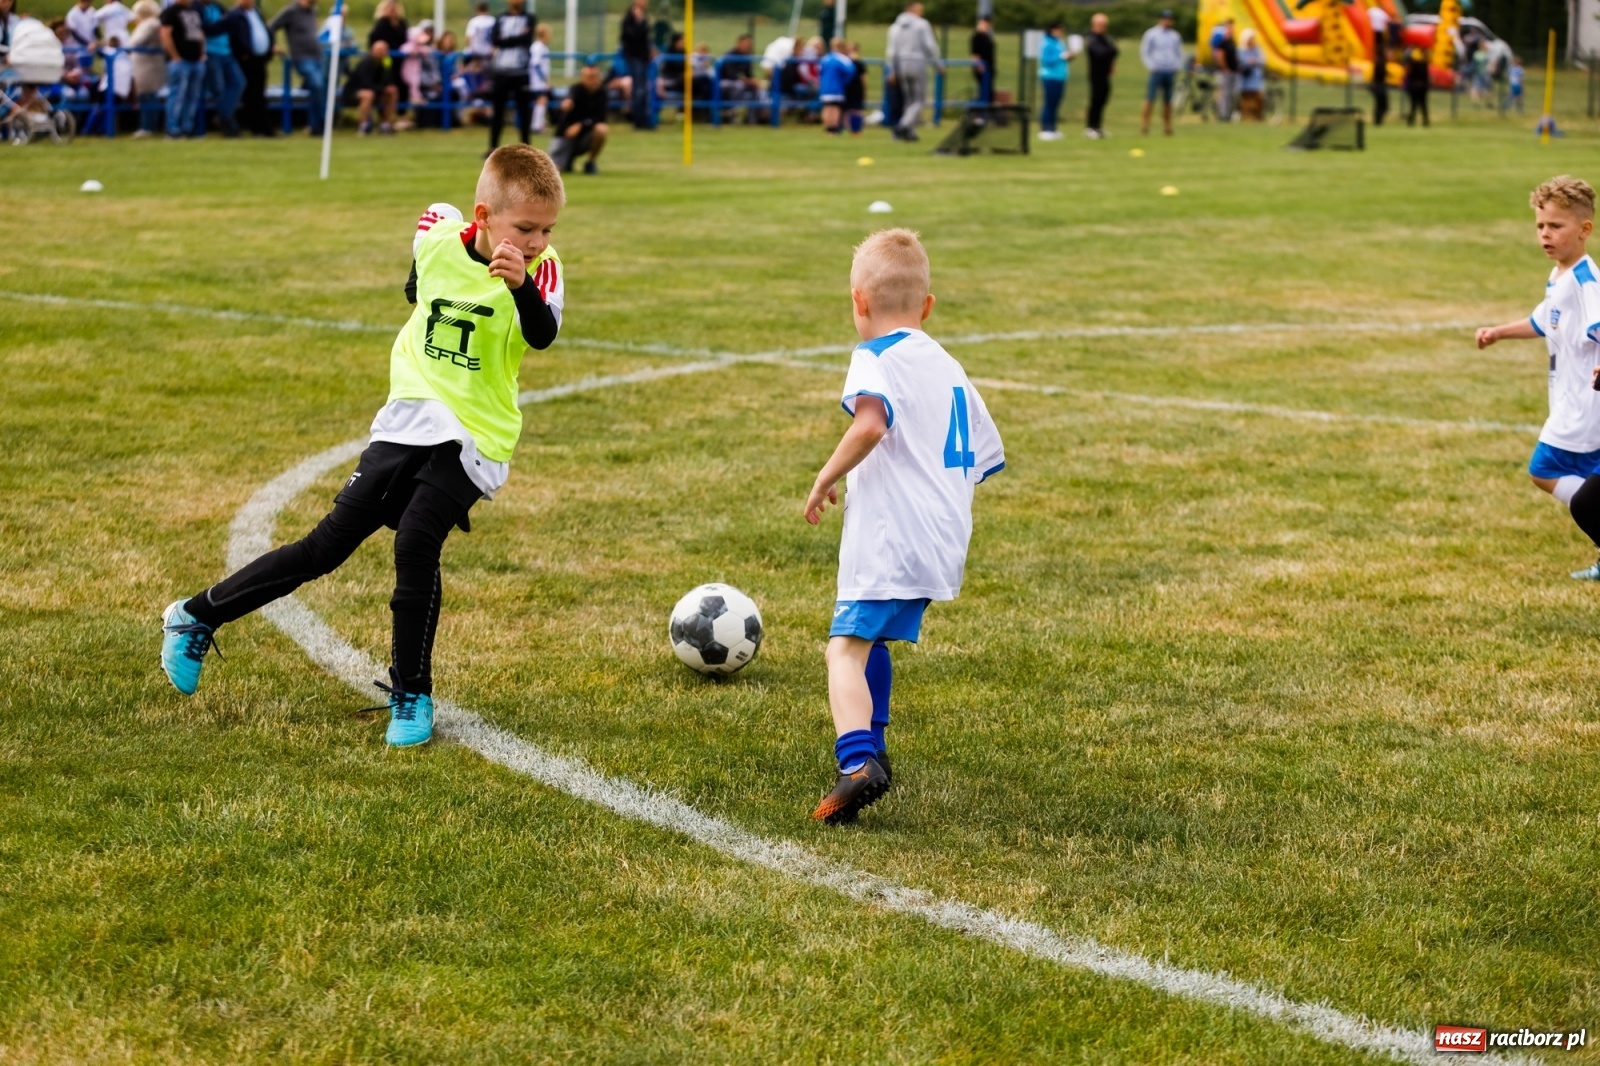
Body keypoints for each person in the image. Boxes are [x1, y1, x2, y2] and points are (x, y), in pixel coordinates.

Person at [159, 146, 568, 749]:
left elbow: (543, 335)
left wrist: (520, 288)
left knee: (417, 538)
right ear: (482, 217)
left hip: (478, 434)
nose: (536, 240)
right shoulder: (440, 241)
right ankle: (195, 615)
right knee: (325, 546)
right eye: (525, 228)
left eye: (547, 229)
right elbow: (431, 221)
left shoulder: (543, 269)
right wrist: (415, 279)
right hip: (408, 418)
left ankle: (412, 694)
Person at [803, 228, 1004, 825]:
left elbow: (871, 423)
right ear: (928, 306)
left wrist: (824, 475)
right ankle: (876, 745)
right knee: (875, 641)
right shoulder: (948, 364)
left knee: (843, 648)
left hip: (892, 536)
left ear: (859, 302)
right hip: (943, 537)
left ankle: (857, 762)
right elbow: (985, 455)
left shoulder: (875, 356)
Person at [1473, 177, 1600, 578]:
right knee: (1584, 484)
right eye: (1540, 226)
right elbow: (1542, 321)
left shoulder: (1586, 282)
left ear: (1584, 230)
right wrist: (1498, 332)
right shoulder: (1559, 275)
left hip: (1583, 408)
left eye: (1556, 226)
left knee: (1542, 469)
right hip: (1571, 404)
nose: (1545, 234)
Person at [269, 0, 326, 135]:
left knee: (320, 88)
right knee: (317, 84)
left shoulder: (312, 11)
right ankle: (320, 122)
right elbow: (271, 26)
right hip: (302, 58)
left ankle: (316, 125)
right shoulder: (291, 11)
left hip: (317, 57)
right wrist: (273, 44)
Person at [885, 0, 937, 142]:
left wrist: (892, 70)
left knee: (908, 99)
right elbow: (929, 45)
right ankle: (903, 126)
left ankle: (909, 132)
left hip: (900, 64)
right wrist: (937, 63)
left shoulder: (895, 27)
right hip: (917, 62)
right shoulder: (922, 24)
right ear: (912, 9)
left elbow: (891, 51)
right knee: (919, 99)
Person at [487, 0, 533, 150]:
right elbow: (495, 40)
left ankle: (526, 147)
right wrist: (516, 38)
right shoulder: (500, 19)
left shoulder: (529, 18)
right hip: (502, 71)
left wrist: (506, 38)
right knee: (498, 111)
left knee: (524, 111)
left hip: (521, 71)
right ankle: (492, 147)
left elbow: (527, 40)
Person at [549, 61, 608, 174]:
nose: (592, 80)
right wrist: (565, 106)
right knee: (556, 170)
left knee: (602, 129)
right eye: (588, 77)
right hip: (566, 136)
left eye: (594, 77)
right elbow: (560, 113)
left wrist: (581, 125)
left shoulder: (602, 93)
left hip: (585, 137)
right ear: (582, 78)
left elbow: (600, 117)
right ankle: (567, 160)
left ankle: (590, 162)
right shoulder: (575, 90)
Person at [159, 0, 206, 139]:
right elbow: (165, 34)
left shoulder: (195, 11)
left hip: (196, 60)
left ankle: (188, 127)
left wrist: (202, 53)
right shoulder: (170, 12)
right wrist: (175, 56)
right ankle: (172, 128)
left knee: (192, 96)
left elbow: (200, 33)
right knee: (177, 95)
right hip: (180, 61)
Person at [199, 0, 244, 135]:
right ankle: (228, 124)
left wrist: (219, 25)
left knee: (238, 82)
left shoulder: (217, 6)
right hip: (210, 52)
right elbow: (206, 30)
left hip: (226, 51)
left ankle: (223, 116)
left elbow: (231, 22)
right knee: (218, 88)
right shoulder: (197, 8)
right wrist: (222, 24)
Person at [231, 0, 274, 135]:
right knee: (250, 94)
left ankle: (263, 125)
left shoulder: (256, 13)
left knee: (260, 92)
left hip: (260, 59)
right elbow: (235, 36)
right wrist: (243, 52)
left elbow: (265, 30)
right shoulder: (236, 15)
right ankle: (254, 125)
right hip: (247, 60)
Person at [1140, 8, 1182, 136]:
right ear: (1160, 19)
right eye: (1165, 18)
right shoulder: (1151, 34)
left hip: (1170, 70)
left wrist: (1177, 65)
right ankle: (1145, 125)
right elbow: (1145, 51)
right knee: (1150, 98)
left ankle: (1167, 126)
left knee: (1168, 101)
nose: (1167, 21)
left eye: (1169, 19)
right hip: (1157, 69)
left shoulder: (1175, 35)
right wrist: (1151, 66)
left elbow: (1179, 52)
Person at [128, 0, 165, 136]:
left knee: (148, 96)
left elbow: (135, 42)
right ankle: (147, 125)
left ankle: (148, 127)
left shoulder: (150, 24)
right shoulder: (151, 23)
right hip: (145, 64)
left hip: (148, 65)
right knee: (146, 96)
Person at [350, 36, 399, 133]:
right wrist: (381, 89)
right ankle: (363, 125)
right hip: (355, 91)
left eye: (384, 50)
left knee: (392, 91)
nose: (381, 52)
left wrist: (387, 65)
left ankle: (385, 124)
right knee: (368, 94)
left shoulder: (386, 61)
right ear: (372, 50)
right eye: (379, 50)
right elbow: (365, 83)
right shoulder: (366, 62)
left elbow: (389, 79)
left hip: (376, 90)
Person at [1083, 11, 1116, 139]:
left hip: (1105, 74)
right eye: (1100, 24)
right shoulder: (1092, 38)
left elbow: (1114, 51)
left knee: (1103, 99)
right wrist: (1109, 51)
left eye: (1104, 24)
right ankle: (1090, 126)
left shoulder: (1104, 38)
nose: (1103, 27)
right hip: (1095, 74)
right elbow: (1101, 53)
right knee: (1095, 100)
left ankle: (1098, 126)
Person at [619, 0, 651, 129]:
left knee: (643, 89)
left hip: (643, 58)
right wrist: (639, 22)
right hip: (634, 57)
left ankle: (643, 118)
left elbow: (644, 38)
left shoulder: (644, 16)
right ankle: (638, 121)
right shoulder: (629, 18)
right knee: (638, 90)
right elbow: (631, 36)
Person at [1037, 22, 1066, 140]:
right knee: (1049, 102)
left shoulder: (1059, 42)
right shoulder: (1046, 43)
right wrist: (1061, 57)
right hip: (1049, 76)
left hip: (1060, 76)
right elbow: (1046, 60)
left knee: (1055, 103)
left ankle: (1053, 128)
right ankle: (1045, 128)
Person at [819, 36, 851, 134]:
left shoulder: (825, 58)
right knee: (835, 108)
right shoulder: (843, 59)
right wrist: (844, 82)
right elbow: (850, 72)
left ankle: (828, 128)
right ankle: (834, 129)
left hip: (825, 87)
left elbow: (819, 72)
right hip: (837, 87)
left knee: (827, 107)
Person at [1209, 16, 1237, 121]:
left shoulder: (1232, 41)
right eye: (1230, 27)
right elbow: (1220, 56)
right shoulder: (1223, 42)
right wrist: (1225, 68)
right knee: (1224, 94)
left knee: (1230, 94)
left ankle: (1228, 114)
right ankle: (1223, 115)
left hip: (1232, 71)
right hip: (1226, 72)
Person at [1236, 27, 1265, 122]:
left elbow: (1262, 61)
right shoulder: (1241, 50)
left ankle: (1258, 116)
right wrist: (1249, 62)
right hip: (1245, 78)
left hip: (1255, 78)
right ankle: (1245, 116)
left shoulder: (1257, 50)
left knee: (1258, 97)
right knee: (1246, 98)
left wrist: (1255, 61)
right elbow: (1240, 62)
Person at [527, 22, 550, 133]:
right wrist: (543, 79)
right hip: (537, 81)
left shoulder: (539, 46)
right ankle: (536, 126)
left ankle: (538, 124)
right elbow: (535, 64)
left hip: (537, 80)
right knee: (541, 100)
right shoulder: (538, 47)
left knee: (541, 101)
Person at [968, 15, 993, 104]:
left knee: (988, 92)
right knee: (983, 91)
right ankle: (980, 114)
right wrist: (979, 66)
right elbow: (975, 54)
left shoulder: (987, 36)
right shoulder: (977, 37)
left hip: (989, 67)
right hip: (982, 68)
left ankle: (985, 112)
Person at [1402, 44, 1428, 127]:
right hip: (1422, 87)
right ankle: (1425, 121)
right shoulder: (1424, 64)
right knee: (1422, 105)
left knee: (1414, 105)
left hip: (1415, 87)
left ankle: (1412, 121)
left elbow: (1409, 74)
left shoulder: (1413, 64)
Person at [1367, 23, 1388, 126]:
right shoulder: (1379, 62)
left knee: (1382, 105)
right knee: (1382, 105)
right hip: (1379, 86)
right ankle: (1377, 121)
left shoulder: (1380, 62)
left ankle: (1378, 120)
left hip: (1379, 85)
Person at [843, 39, 865, 134]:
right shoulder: (845, 62)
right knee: (847, 109)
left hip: (856, 88)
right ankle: (848, 129)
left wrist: (864, 89)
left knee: (856, 109)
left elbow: (863, 78)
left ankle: (856, 129)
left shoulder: (858, 63)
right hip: (847, 88)